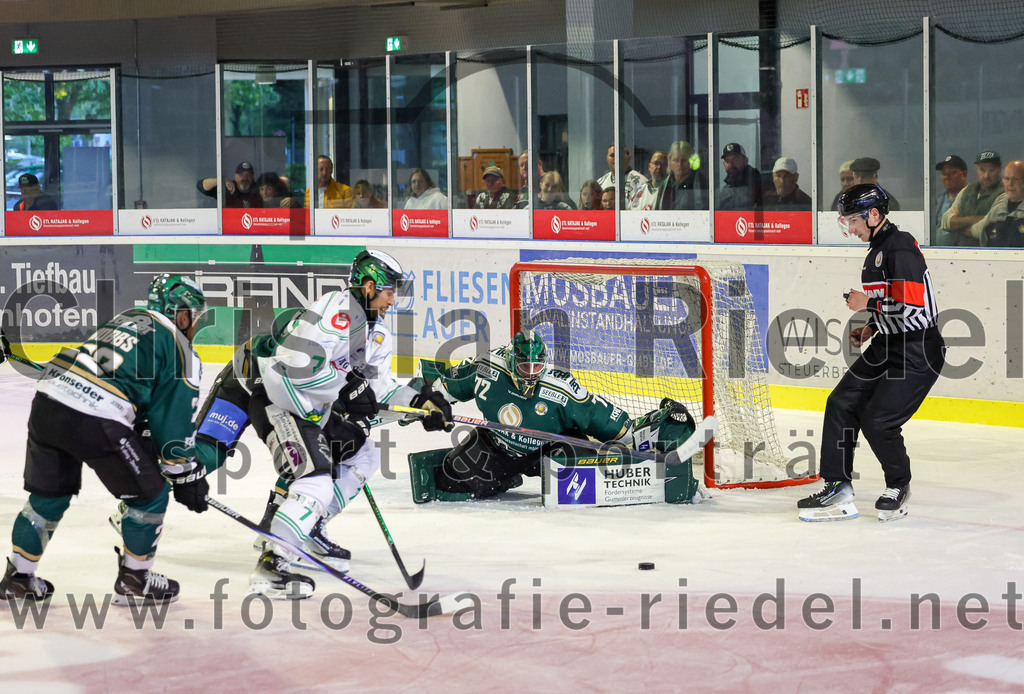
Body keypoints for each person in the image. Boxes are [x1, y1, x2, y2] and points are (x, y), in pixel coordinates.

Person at [190, 250, 452, 599]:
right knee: (314, 481)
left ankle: (307, 526)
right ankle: (274, 564)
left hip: (310, 407)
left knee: (363, 456)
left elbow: (376, 389)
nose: (393, 299)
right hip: (278, 396)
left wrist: (419, 404)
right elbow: (296, 363)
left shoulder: (377, 332)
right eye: (390, 291)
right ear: (370, 286)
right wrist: (347, 390)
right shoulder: (336, 310)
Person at [0, 274, 209, 604]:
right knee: (151, 496)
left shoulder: (127, 318)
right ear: (182, 314)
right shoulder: (179, 348)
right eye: (195, 317)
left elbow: (133, 393)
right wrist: (186, 475)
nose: (195, 326)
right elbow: (173, 428)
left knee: (48, 498)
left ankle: (18, 578)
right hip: (94, 416)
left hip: (49, 403)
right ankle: (135, 578)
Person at [798, 184, 944, 523]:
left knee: (878, 420)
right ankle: (837, 486)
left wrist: (867, 305)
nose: (850, 228)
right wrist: (872, 325)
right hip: (887, 344)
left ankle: (898, 485)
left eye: (853, 220)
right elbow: (893, 306)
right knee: (840, 403)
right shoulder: (876, 249)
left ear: (874, 215)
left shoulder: (900, 247)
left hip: (918, 349)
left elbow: (910, 307)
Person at [413, 330, 698, 501]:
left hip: (550, 449)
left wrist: (636, 435)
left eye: (537, 368)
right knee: (451, 477)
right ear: (512, 362)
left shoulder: (560, 387)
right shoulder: (486, 366)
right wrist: (428, 404)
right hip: (498, 446)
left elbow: (601, 417)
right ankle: (507, 477)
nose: (531, 376)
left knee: (578, 479)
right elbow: (444, 388)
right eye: (525, 369)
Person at [940, 150, 1003, 246]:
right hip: (960, 253)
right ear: (976, 169)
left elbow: (987, 227)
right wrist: (974, 220)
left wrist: (958, 226)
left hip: (990, 255)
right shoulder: (966, 191)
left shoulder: (1005, 193)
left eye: (991, 170)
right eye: (982, 169)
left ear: (999, 170)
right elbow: (945, 221)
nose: (986, 175)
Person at [973, 160, 1024, 247]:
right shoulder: (998, 208)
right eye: (1007, 179)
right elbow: (980, 233)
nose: (1010, 184)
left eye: (1015, 179)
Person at [656, 142, 708, 211]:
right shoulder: (665, 185)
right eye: (675, 160)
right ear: (669, 161)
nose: (679, 164)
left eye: (684, 160)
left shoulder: (701, 183)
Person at [931, 155, 968, 245]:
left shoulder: (972, 196)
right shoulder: (939, 200)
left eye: (952, 173)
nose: (947, 177)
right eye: (944, 173)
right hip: (936, 254)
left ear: (964, 174)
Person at [596, 144, 648, 209]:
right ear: (607, 158)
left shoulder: (641, 183)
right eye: (612, 155)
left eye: (619, 155)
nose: (616, 158)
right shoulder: (600, 183)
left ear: (629, 157)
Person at [717, 142, 765, 210]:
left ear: (745, 160)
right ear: (724, 164)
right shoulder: (723, 191)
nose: (731, 164)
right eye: (727, 161)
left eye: (736, 159)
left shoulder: (759, 184)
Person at [197, 161, 264, 208]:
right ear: (235, 176)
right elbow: (202, 186)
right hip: (229, 225)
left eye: (248, 175)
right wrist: (222, 181)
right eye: (241, 175)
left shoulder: (260, 190)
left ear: (253, 176)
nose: (245, 178)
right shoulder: (229, 187)